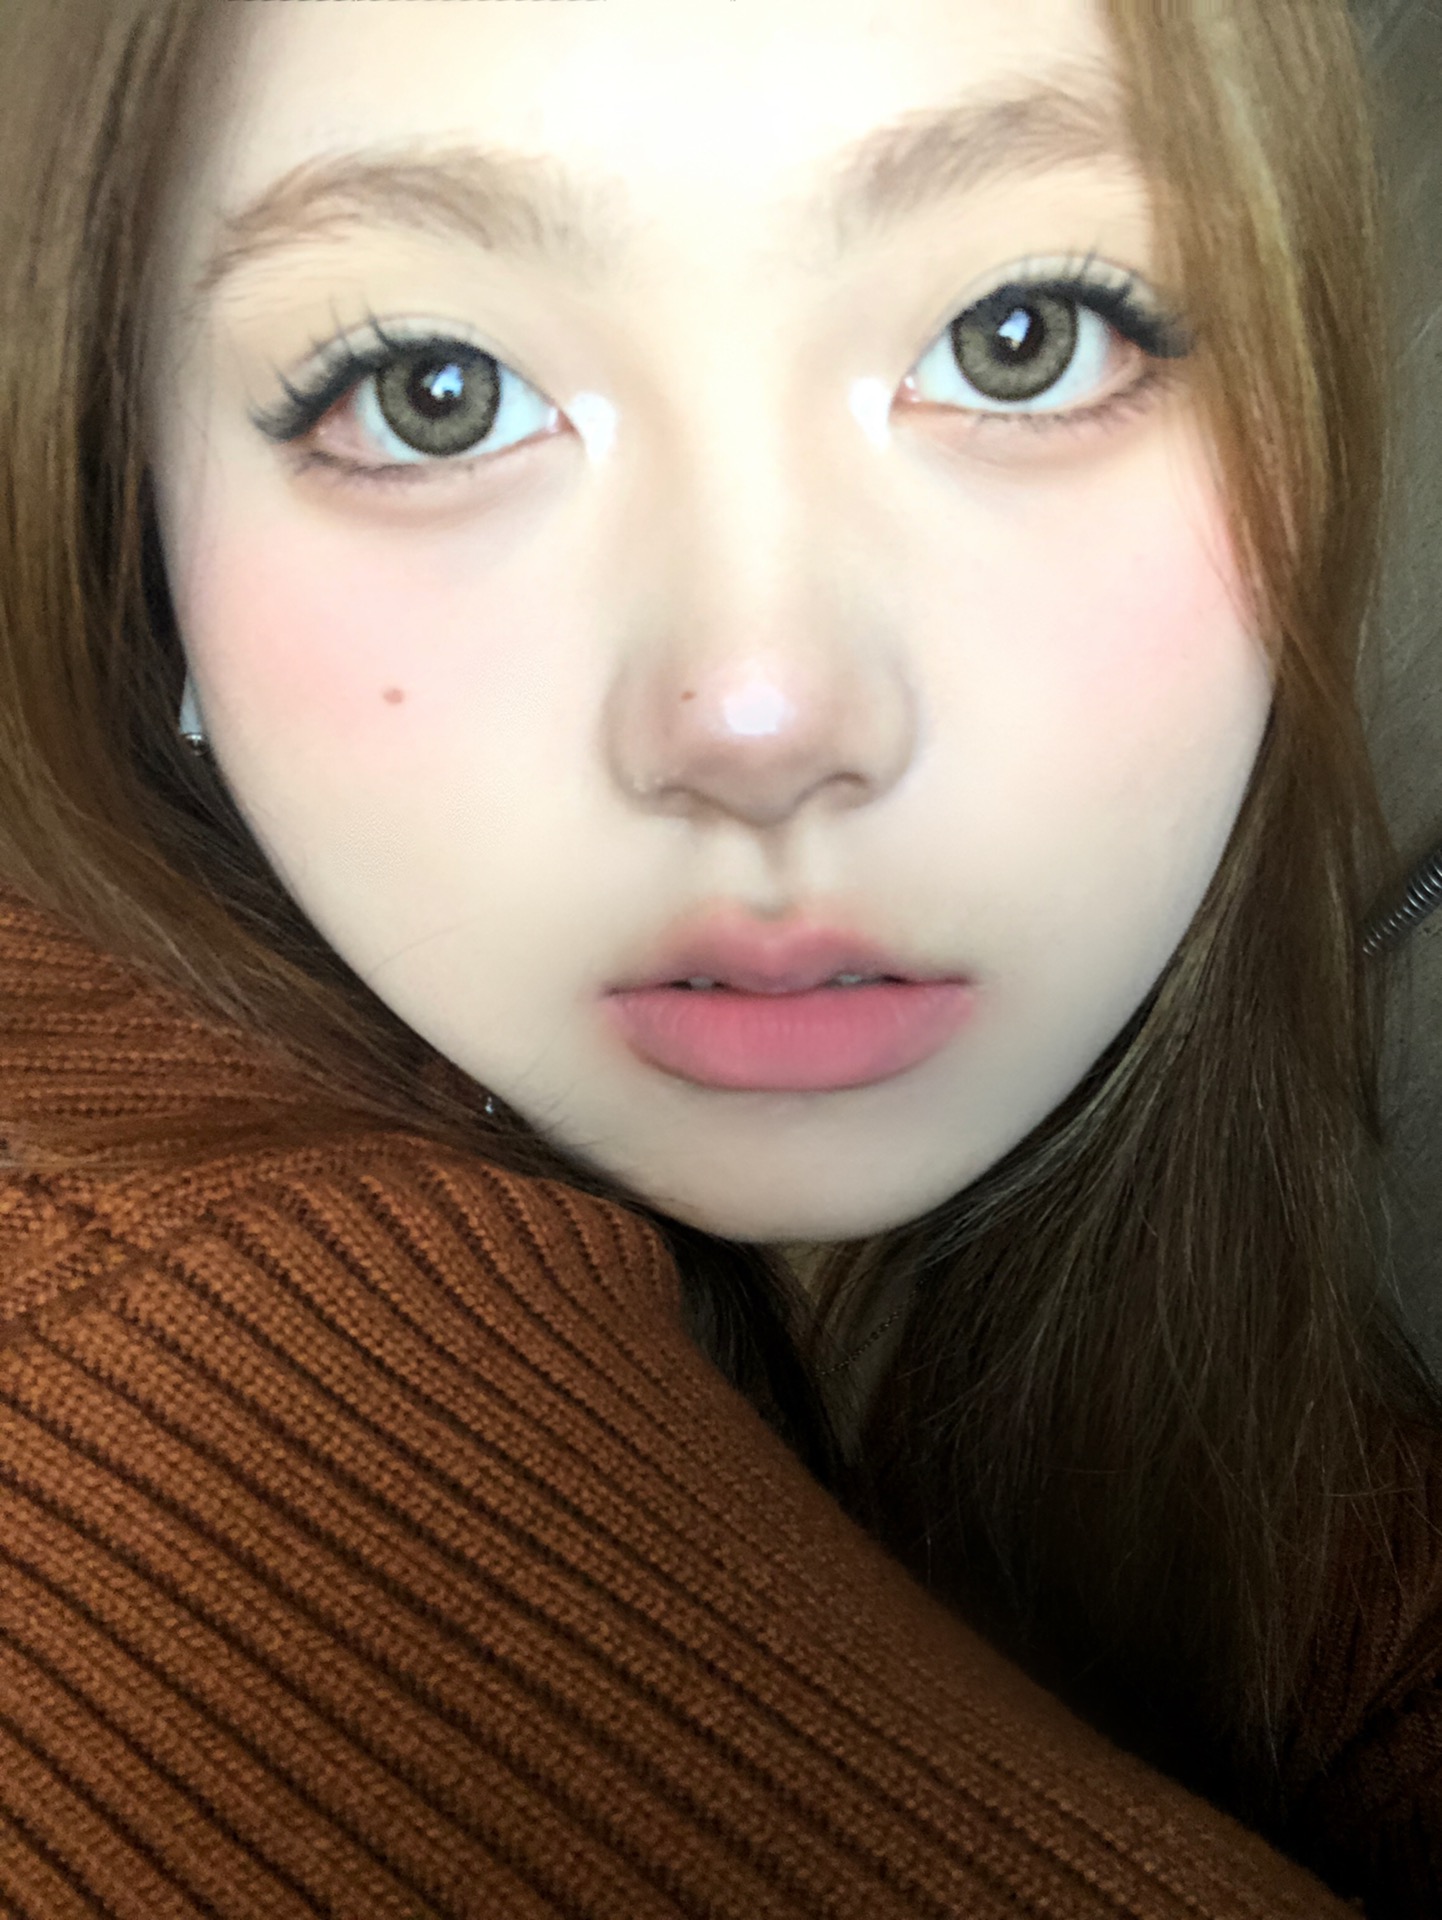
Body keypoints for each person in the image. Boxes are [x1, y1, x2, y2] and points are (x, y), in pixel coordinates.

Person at [0, 0, 1437, 1912]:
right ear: (141, 539)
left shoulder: (1261, 1407)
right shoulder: (111, 1360)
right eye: (434, 390)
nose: (760, 712)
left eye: (1021, 338)